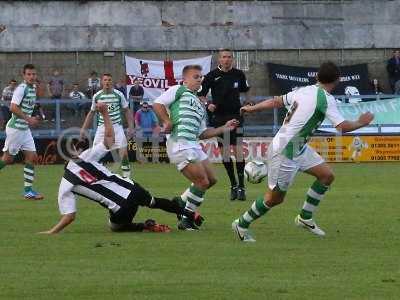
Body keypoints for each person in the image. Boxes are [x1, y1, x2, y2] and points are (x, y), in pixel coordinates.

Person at [231, 61, 374, 242]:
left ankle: (305, 218)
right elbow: (342, 126)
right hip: (285, 150)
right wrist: (362, 122)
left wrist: (253, 108)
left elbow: (277, 101)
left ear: (317, 76)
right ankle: (241, 224)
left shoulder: (304, 90)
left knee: (326, 175)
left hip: (297, 145)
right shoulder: (326, 99)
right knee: (274, 199)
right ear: (337, 80)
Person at [39, 103, 201, 234]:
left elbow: (70, 216)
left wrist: (52, 231)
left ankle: (145, 226)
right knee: (154, 201)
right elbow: (110, 139)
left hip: (121, 208)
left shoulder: (66, 182)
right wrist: (105, 113)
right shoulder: (85, 156)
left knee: (115, 227)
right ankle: (190, 214)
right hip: (133, 189)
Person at [153, 65, 239, 230]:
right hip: (180, 143)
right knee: (202, 181)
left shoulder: (200, 104)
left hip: (194, 144)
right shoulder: (178, 90)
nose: (199, 79)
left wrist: (223, 128)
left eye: (201, 77)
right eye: (195, 76)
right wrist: (167, 121)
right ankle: (186, 219)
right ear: (185, 80)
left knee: (211, 180)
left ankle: (181, 202)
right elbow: (157, 103)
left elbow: (203, 133)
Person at [198, 49, 251, 201]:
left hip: (236, 116)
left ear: (232, 59)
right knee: (226, 153)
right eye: (223, 57)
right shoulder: (212, 76)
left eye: (229, 57)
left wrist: (247, 103)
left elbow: (246, 90)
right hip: (219, 118)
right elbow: (200, 94)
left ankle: (241, 186)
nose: (226, 60)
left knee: (239, 151)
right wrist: (208, 103)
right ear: (219, 60)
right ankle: (233, 185)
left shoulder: (239, 74)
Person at [0, 64, 44, 200]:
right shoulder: (21, 89)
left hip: (24, 129)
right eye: (29, 74)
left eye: (34, 74)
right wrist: (28, 119)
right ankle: (28, 191)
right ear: (24, 76)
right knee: (7, 159)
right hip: (16, 129)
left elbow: (31, 105)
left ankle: (28, 191)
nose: (32, 77)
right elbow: (13, 108)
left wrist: (34, 117)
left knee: (32, 157)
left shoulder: (33, 88)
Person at [80, 73, 134, 179]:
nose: (107, 82)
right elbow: (91, 113)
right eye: (105, 80)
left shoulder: (119, 94)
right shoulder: (97, 96)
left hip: (116, 127)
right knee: (95, 153)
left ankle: (127, 178)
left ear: (112, 82)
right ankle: (96, 177)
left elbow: (126, 110)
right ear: (102, 82)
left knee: (123, 152)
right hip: (102, 128)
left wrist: (131, 126)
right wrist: (83, 129)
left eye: (109, 80)